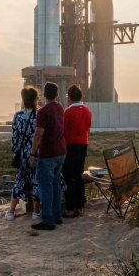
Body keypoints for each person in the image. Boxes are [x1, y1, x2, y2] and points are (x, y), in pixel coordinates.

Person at [29, 81, 67, 231]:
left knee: (46, 186)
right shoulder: (60, 108)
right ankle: (57, 215)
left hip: (48, 153)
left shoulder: (42, 112)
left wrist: (33, 152)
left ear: (44, 95)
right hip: (61, 151)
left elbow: (38, 134)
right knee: (56, 184)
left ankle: (47, 219)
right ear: (57, 95)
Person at [7, 86, 40, 221]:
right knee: (36, 181)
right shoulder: (38, 115)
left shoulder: (18, 115)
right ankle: (36, 212)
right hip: (34, 153)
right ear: (34, 99)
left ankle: (11, 211)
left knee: (19, 180)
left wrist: (15, 152)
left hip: (21, 154)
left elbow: (14, 136)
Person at [62, 85, 92, 218]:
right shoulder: (87, 110)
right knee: (79, 175)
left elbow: (63, 130)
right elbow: (88, 128)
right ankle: (80, 207)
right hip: (83, 144)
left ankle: (69, 207)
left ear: (69, 98)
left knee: (68, 176)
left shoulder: (67, 112)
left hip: (70, 144)